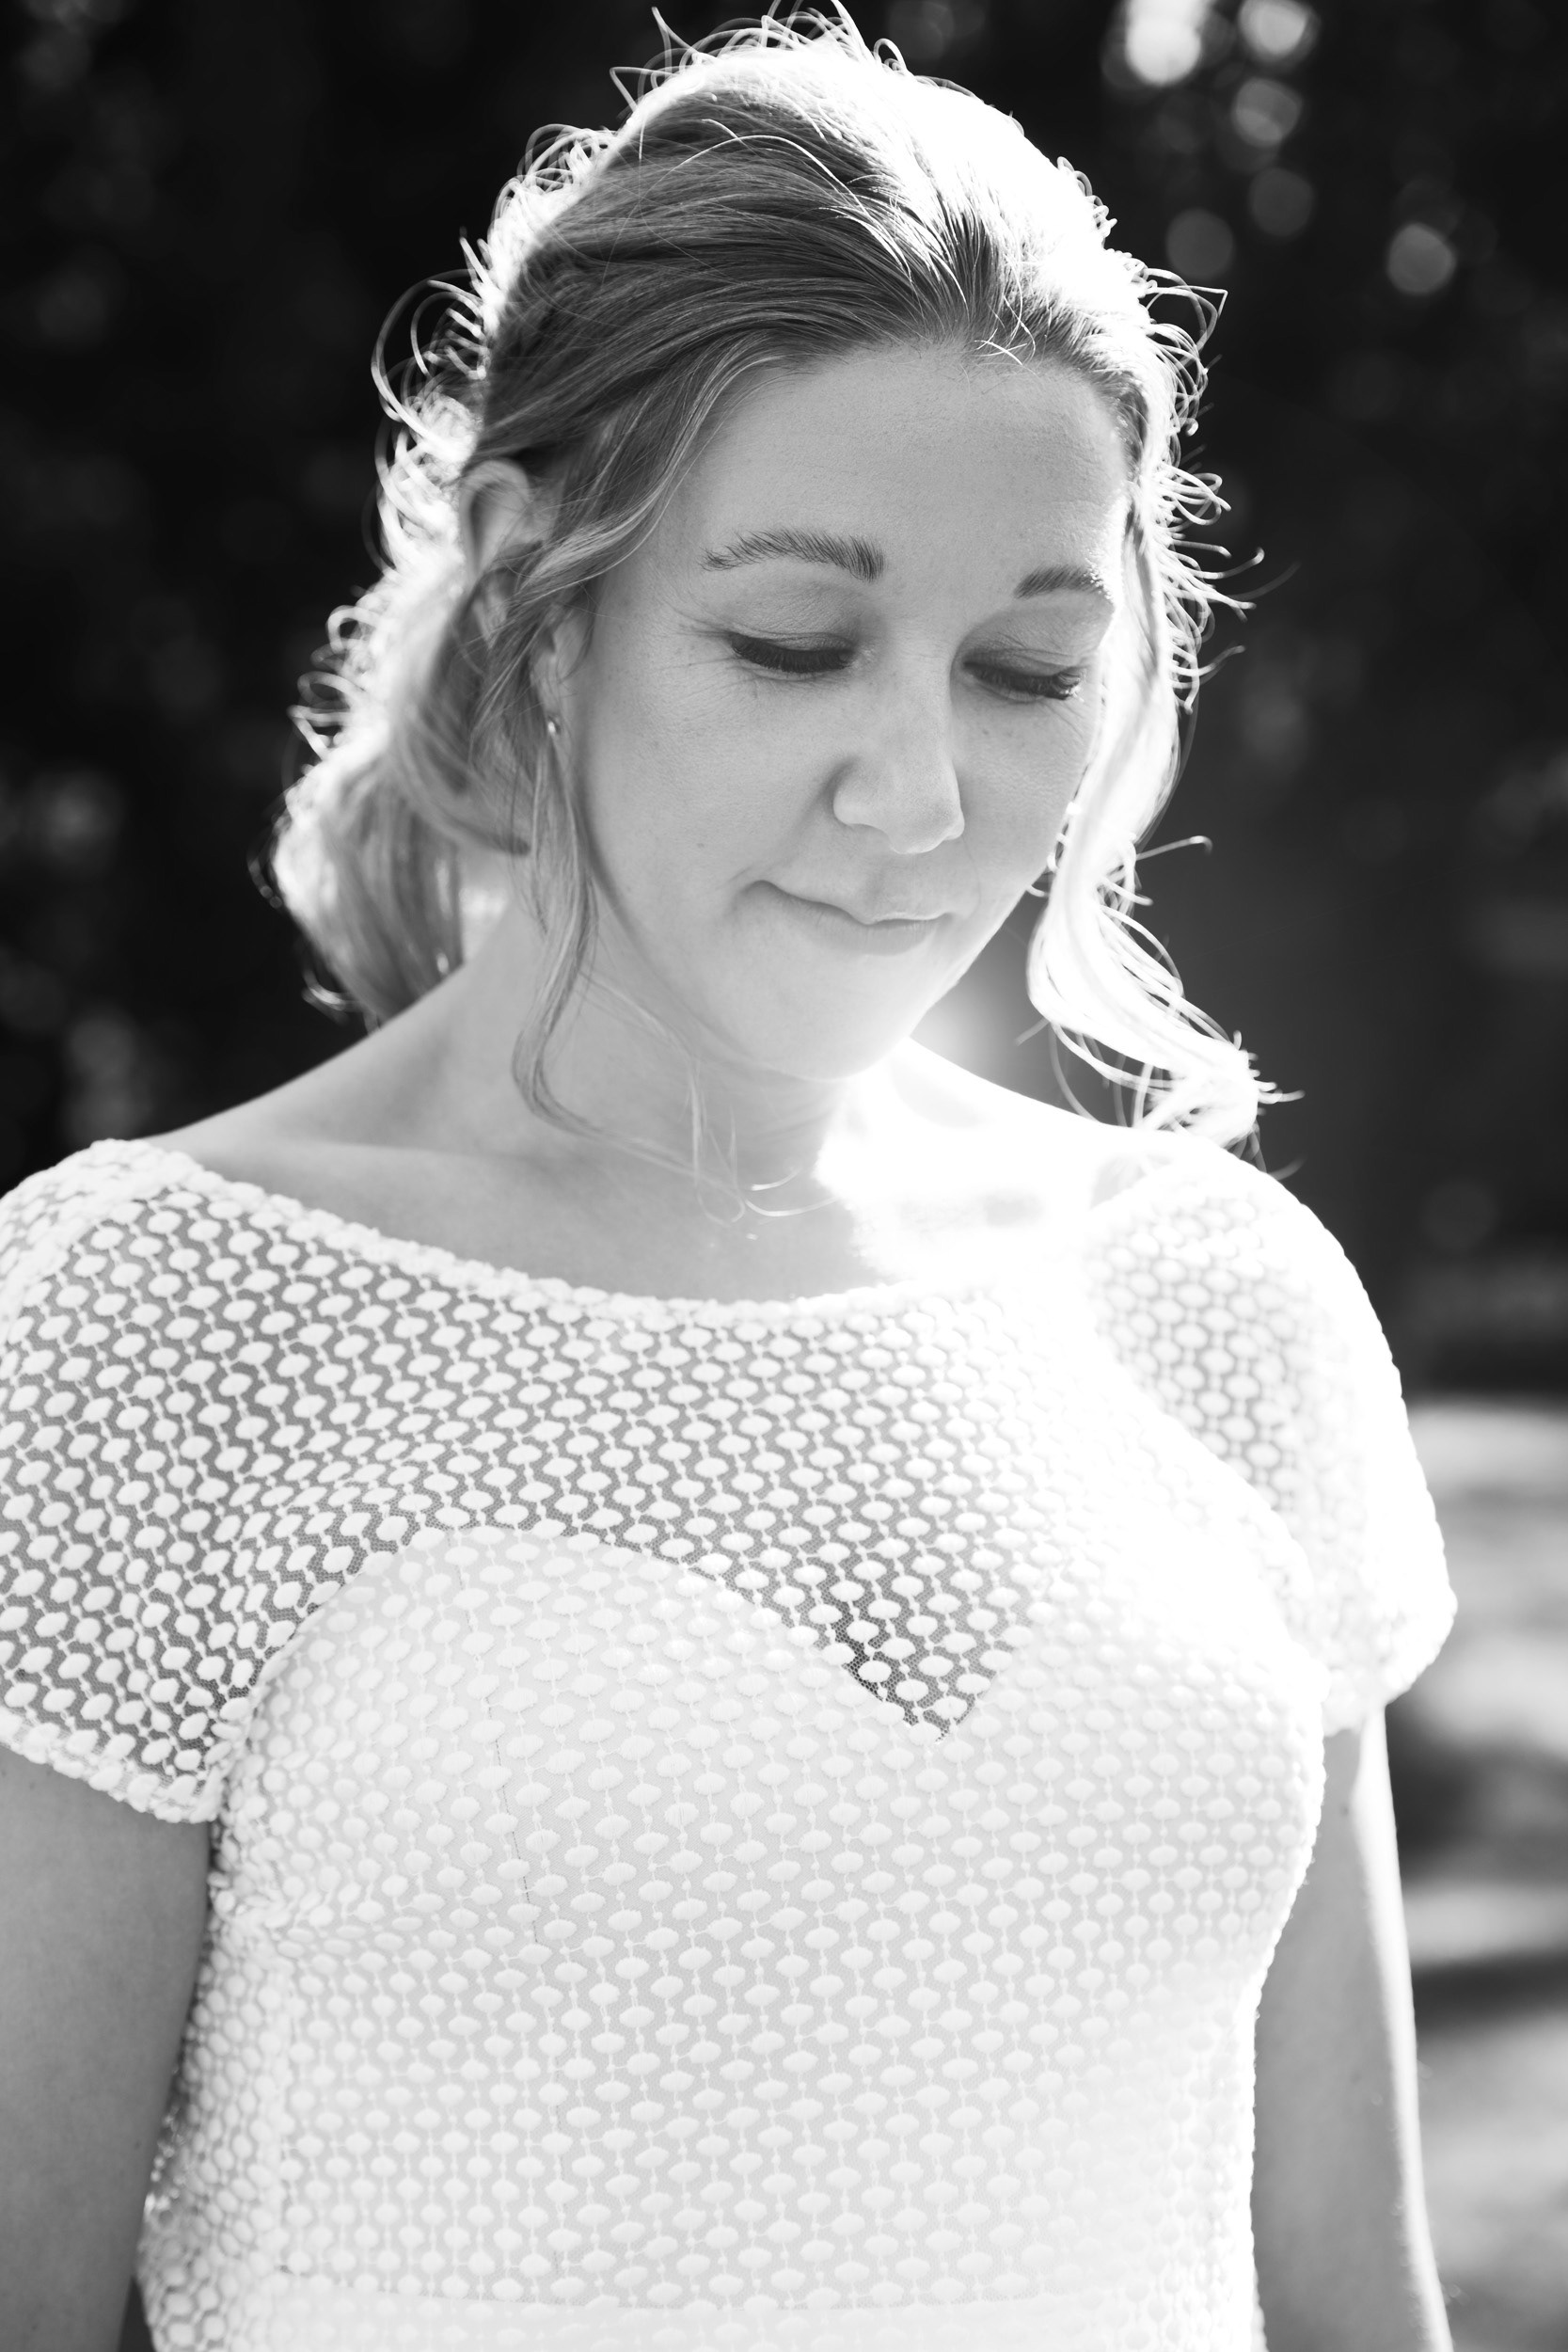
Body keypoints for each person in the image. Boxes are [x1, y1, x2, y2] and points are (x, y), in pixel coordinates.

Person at [0, 15, 1456, 2351]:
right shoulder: (146, 1323)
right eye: (797, 641)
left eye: (1025, 666)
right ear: (532, 592)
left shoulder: (1222, 1295)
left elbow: (1357, 2297)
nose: (922, 793)